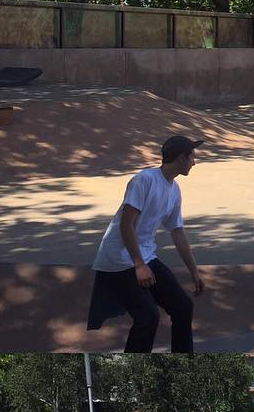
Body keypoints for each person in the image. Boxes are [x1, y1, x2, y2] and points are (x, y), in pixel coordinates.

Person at [87, 134, 206, 352]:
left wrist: (194, 271)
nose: (194, 162)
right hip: (119, 260)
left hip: (145, 257)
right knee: (148, 316)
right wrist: (139, 265)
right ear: (181, 158)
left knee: (183, 306)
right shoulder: (144, 180)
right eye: (192, 157)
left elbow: (178, 233)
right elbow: (126, 225)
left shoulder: (174, 190)